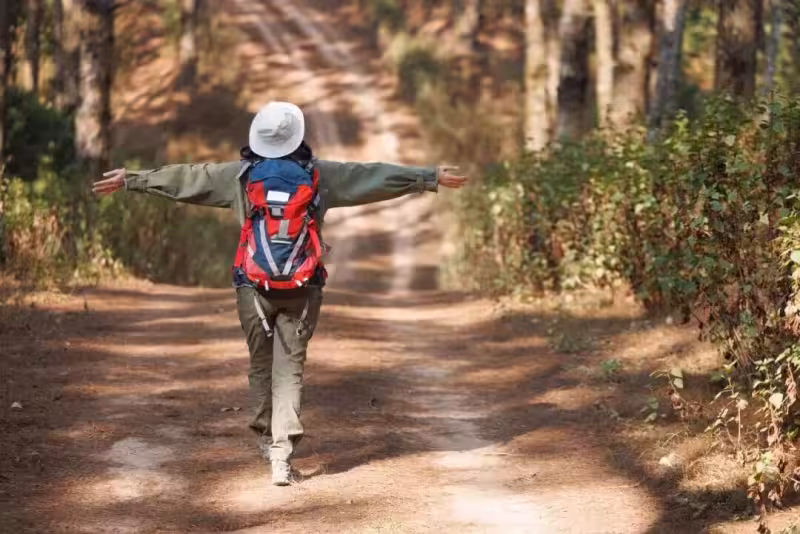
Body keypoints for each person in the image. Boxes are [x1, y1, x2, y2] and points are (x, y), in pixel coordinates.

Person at [92, 101, 467, 486]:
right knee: (290, 368)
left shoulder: (239, 176)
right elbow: (371, 176)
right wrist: (427, 177)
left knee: (260, 364)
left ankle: (263, 437)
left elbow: (189, 178)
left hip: (252, 285)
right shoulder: (320, 175)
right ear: (298, 136)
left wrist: (134, 179)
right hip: (304, 286)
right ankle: (281, 454)